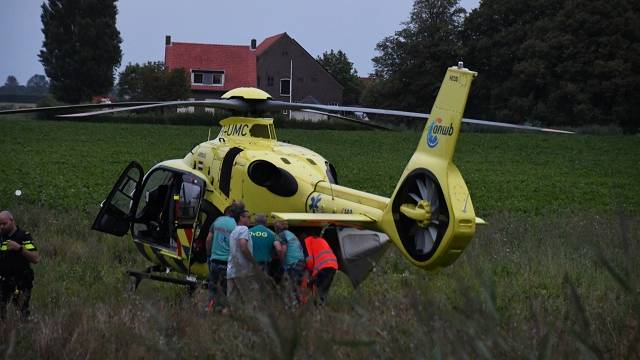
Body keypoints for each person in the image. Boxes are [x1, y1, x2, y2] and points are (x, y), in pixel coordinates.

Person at [0, 211, 40, 320]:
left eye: (4, 224)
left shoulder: (23, 236)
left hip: (21, 281)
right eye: (0, 224)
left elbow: (36, 258)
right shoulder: (1, 237)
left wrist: (19, 248)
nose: (2, 227)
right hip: (3, 281)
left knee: (22, 313)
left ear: (12, 221)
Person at [205, 202, 243, 313]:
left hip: (214, 260)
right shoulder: (236, 225)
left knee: (212, 287)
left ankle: (210, 308)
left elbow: (208, 240)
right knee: (225, 289)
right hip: (227, 263)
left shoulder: (217, 221)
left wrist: (209, 255)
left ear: (227, 212)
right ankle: (222, 311)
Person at [226, 209, 257, 309]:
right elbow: (243, 246)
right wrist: (253, 261)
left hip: (231, 271)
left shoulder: (233, 231)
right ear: (241, 218)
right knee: (249, 301)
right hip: (242, 271)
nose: (250, 219)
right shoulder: (244, 229)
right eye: (248, 217)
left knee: (233, 303)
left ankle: (232, 323)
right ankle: (250, 323)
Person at [274, 220, 305, 307]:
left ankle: (294, 306)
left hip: (293, 263)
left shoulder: (281, 235)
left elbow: (282, 249)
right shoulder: (290, 234)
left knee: (292, 285)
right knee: (296, 285)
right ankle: (299, 305)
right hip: (300, 261)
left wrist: (281, 260)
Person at [303, 230, 339, 305]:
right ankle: (320, 307)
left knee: (314, 285)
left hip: (323, 266)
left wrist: (310, 273)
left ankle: (316, 307)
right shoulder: (322, 240)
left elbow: (309, 261)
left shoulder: (308, 241)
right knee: (323, 288)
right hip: (333, 265)